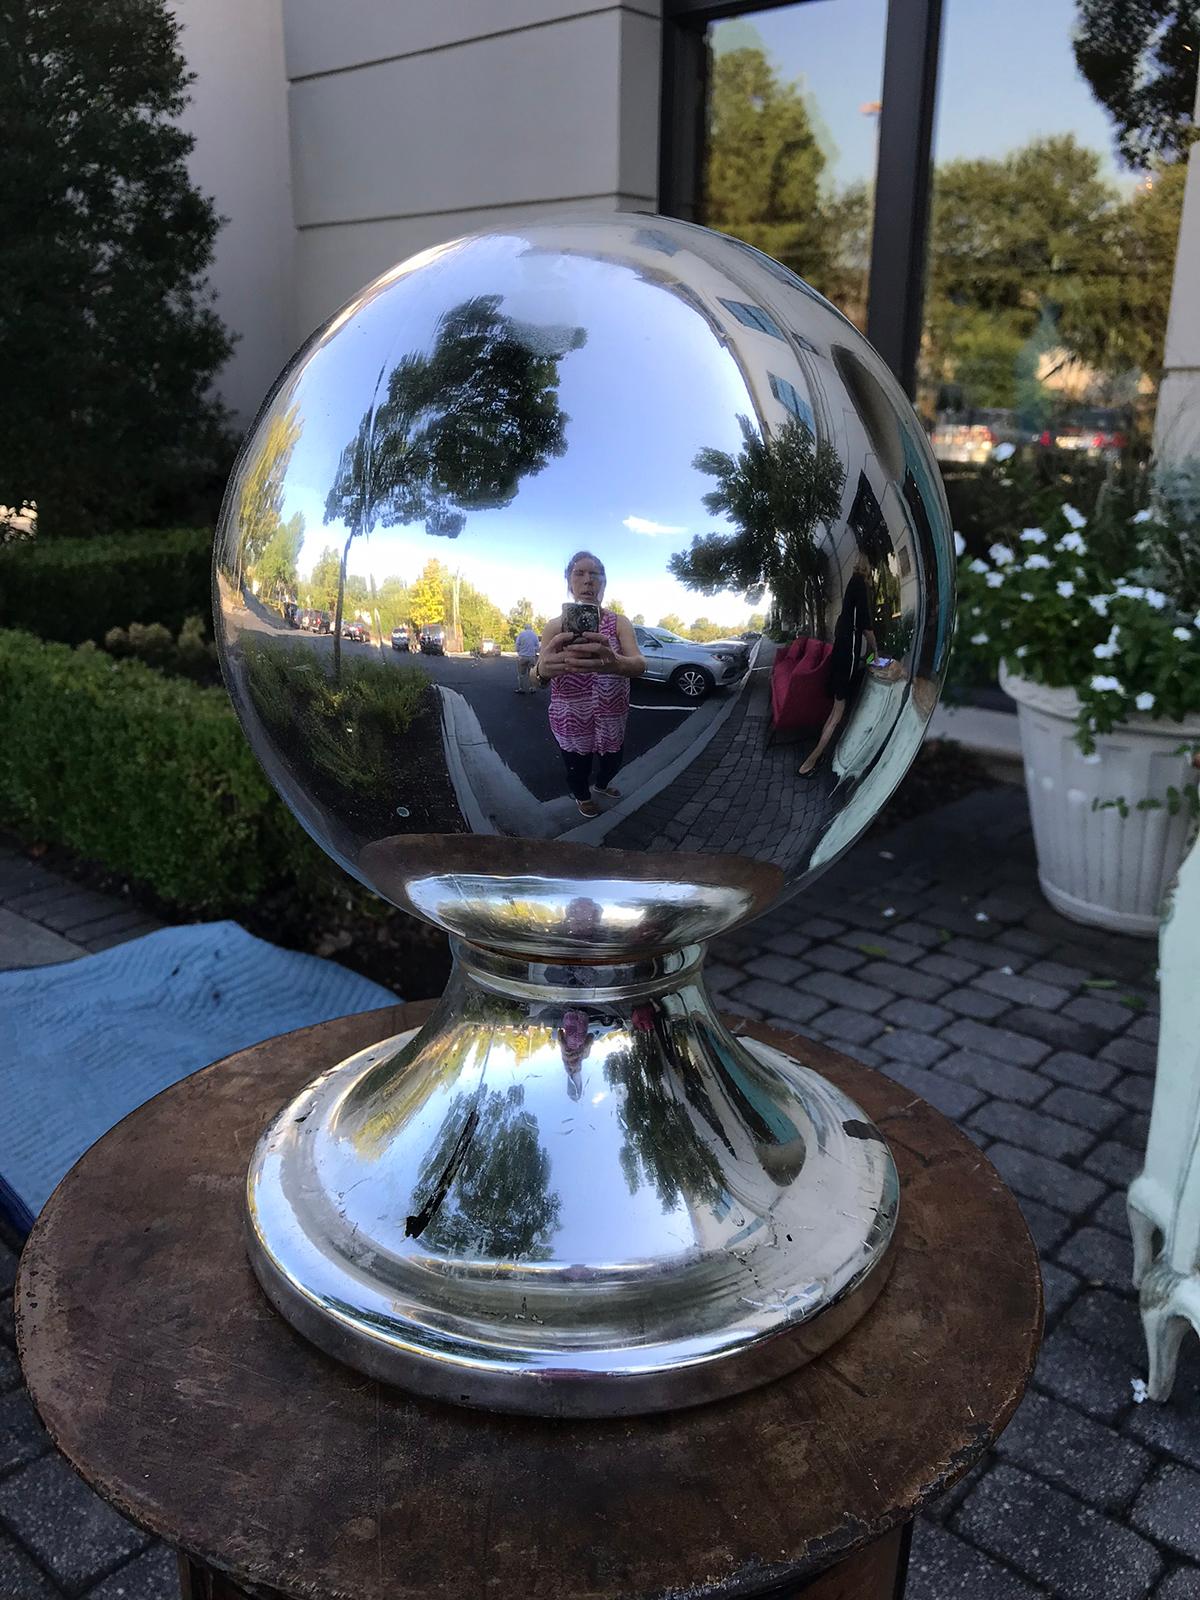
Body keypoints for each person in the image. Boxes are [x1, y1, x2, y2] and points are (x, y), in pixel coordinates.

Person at [537, 551, 645, 817]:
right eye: (579, 573)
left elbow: (640, 664)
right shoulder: (554, 626)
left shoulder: (620, 622)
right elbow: (536, 675)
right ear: (569, 583)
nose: (588, 581)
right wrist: (541, 671)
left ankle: (602, 784)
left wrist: (615, 664)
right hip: (571, 719)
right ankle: (582, 795)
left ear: (604, 583)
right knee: (577, 766)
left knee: (613, 761)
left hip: (612, 716)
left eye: (595, 574)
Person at [798, 552, 877, 778]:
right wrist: (876, 650)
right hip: (848, 656)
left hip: (840, 653)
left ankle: (815, 756)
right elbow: (865, 624)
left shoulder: (851, 587)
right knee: (838, 713)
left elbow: (846, 621)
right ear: (868, 568)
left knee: (835, 709)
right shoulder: (860, 584)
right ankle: (810, 762)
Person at [515, 621, 540, 693]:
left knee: (521, 674)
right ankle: (532, 688)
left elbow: (517, 644)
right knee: (531, 673)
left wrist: (519, 652)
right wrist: (534, 652)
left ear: (525, 628)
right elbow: (537, 646)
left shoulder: (521, 634)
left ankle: (521, 688)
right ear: (531, 628)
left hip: (522, 657)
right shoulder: (534, 635)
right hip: (531, 657)